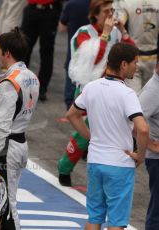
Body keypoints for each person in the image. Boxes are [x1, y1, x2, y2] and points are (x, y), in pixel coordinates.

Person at [67, 42, 148, 230]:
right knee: (116, 222)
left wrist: (91, 137)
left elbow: (72, 114)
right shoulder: (128, 94)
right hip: (119, 164)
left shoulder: (92, 87)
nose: (137, 66)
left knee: (94, 217)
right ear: (123, 65)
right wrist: (140, 156)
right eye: (135, 62)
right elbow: (142, 129)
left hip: (95, 161)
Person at [57, 0, 135, 186]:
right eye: (106, 12)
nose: (111, 16)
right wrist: (106, 35)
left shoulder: (115, 32)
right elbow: (91, 61)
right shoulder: (83, 33)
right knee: (84, 136)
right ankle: (64, 168)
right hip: (88, 90)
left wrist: (123, 31)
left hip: (112, 90)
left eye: (112, 11)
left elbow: (132, 53)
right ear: (96, 14)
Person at [0, 27, 40, 230]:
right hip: (21, 143)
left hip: (7, 150)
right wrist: (0, 98)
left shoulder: (9, 82)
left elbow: (1, 127)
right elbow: (21, 106)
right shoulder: (31, 76)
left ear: (7, 53)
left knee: (6, 207)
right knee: (7, 204)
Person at [20, 0, 63, 101]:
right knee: (23, 47)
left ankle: (42, 88)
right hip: (32, 8)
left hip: (50, 10)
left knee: (46, 51)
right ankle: (20, 82)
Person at [114, 0, 159, 93]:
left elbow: (118, 23)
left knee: (133, 96)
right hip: (150, 58)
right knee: (150, 98)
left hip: (133, 58)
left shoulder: (126, 3)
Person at [58, 0, 90, 110]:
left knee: (71, 79)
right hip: (95, 55)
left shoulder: (71, 5)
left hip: (75, 53)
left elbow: (61, 28)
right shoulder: (101, 5)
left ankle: (71, 110)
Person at [139, 63, 159, 230]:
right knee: (157, 211)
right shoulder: (152, 91)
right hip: (157, 161)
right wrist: (152, 146)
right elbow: (134, 123)